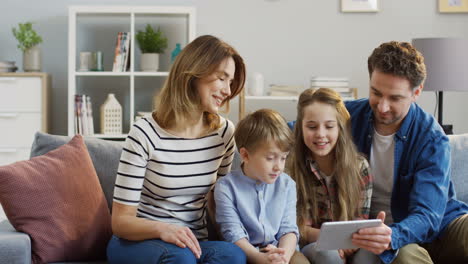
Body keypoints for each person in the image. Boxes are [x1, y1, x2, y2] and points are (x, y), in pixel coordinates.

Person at [106, 35, 247, 264]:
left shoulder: (223, 134)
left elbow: (218, 202)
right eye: (222, 78)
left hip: (192, 244)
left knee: (233, 255)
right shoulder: (145, 133)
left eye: (230, 82)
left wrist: (250, 245)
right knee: (180, 257)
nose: (228, 90)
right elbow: (121, 222)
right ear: (194, 73)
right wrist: (164, 230)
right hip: (138, 241)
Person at [345, 41, 468, 264]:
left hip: (439, 224)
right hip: (393, 239)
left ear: (416, 92)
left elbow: (428, 215)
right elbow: (284, 132)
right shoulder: (346, 117)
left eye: (395, 98)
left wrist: (392, 235)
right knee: (406, 256)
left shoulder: (431, 137)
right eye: (376, 92)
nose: (382, 106)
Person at [287, 88, 373, 264]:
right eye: (311, 127)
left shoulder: (360, 167)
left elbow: (360, 219)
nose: (320, 134)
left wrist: (349, 242)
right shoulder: (291, 169)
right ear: (300, 127)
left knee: (370, 254)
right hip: (314, 244)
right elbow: (297, 227)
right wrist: (333, 241)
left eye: (329, 126)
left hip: (352, 242)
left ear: (340, 128)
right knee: (329, 254)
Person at [214, 109, 309, 264]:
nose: (278, 167)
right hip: (248, 253)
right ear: (245, 155)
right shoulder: (226, 188)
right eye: (270, 158)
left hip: (281, 250)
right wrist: (260, 258)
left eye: (283, 158)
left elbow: (289, 229)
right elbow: (233, 234)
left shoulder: (287, 184)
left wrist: (283, 256)